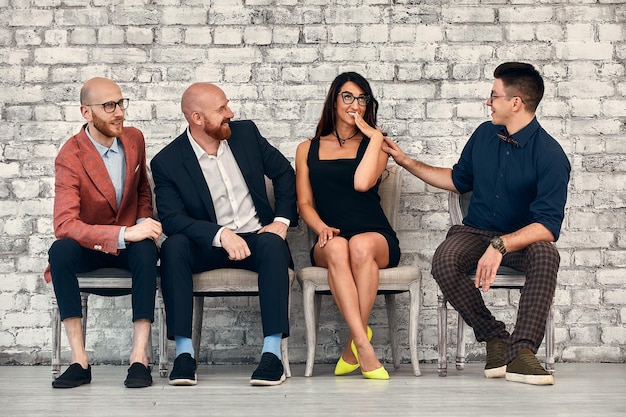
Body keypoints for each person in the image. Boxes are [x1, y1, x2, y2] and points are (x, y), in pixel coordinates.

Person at [382, 62, 570, 385]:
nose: (488, 102)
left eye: (494, 96)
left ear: (516, 103)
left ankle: (521, 352)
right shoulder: (484, 135)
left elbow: (547, 227)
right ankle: (494, 336)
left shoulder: (551, 156)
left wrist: (501, 245)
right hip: (474, 232)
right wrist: (406, 161)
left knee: (547, 254)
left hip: (518, 242)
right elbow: (457, 180)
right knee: (444, 260)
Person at [151, 82, 297, 387]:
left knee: (272, 243)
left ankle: (272, 353)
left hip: (257, 237)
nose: (230, 113)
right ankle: (184, 354)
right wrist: (220, 235)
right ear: (197, 118)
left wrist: (281, 220)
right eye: (221, 110)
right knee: (174, 247)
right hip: (207, 244)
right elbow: (173, 219)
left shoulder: (246, 135)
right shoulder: (167, 161)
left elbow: (284, 172)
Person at [44, 77, 163, 389]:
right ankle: (79, 361)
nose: (119, 112)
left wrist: (142, 223)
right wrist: (125, 233)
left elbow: (141, 193)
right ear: (86, 112)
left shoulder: (134, 138)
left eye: (121, 103)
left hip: (130, 247)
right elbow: (65, 225)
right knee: (60, 251)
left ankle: (140, 358)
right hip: (90, 245)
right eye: (109, 105)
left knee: (147, 248)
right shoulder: (70, 155)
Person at [295, 72, 400, 380]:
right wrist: (321, 228)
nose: (355, 104)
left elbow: (362, 182)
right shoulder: (307, 148)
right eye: (348, 97)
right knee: (340, 246)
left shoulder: (376, 145)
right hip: (330, 236)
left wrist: (376, 136)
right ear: (334, 100)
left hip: (375, 236)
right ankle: (364, 345)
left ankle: (357, 345)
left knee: (360, 244)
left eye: (362, 98)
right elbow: (304, 204)